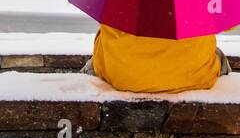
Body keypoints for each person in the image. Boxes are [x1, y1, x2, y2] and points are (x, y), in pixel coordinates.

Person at [86, 23, 229, 92]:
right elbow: (227, 21)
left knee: (99, 59)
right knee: (217, 55)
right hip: (195, 75)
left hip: (124, 75)